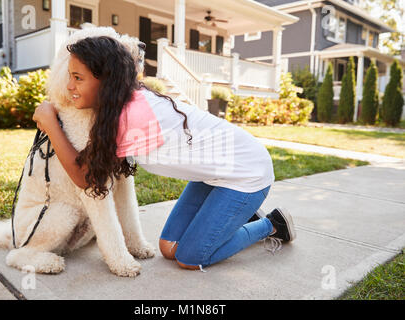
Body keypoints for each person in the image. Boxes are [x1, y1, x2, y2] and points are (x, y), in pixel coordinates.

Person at [32, 36, 296, 272]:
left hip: (248, 173)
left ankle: (271, 224)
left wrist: (51, 126)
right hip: (216, 175)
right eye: (70, 76)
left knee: (191, 257)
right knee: (168, 247)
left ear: (106, 79)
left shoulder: (131, 117)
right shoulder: (118, 106)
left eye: (78, 78)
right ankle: (231, 215)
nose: (68, 86)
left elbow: (85, 178)